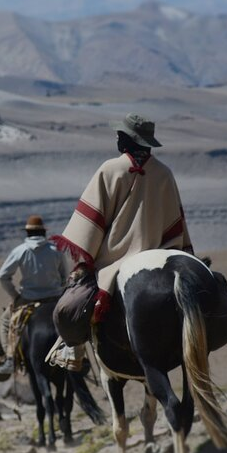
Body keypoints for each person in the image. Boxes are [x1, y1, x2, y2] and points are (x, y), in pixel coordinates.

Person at [48, 113, 194, 371]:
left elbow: (90, 224)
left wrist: (85, 263)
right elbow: (175, 222)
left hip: (111, 261)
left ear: (127, 140)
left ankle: (72, 350)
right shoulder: (164, 174)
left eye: (120, 134)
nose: (117, 137)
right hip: (158, 255)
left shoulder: (109, 169)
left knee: (71, 305)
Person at [0, 215, 67, 375]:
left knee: (6, 321)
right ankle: (79, 358)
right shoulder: (56, 250)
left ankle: (10, 359)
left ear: (27, 233)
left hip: (28, 299)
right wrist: (59, 288)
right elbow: (65, 276)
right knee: (73, 321)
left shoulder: (20, 251)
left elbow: (3, 276)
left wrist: (15, 296)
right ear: (43, 232)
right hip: (54, 298)